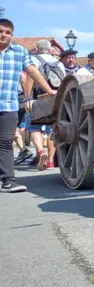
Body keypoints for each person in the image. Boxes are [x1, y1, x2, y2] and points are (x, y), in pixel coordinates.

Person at [0, 18, 57, 193]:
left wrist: (49, 90)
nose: (3, 35)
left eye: (7, 32)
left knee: (5, 143)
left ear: (12, 35)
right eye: (1, 31)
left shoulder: (19, 52)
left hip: (8, 105)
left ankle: (8, 181)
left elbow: (32, 71)